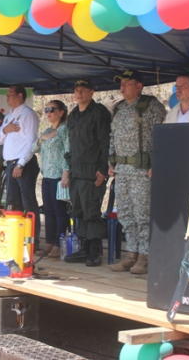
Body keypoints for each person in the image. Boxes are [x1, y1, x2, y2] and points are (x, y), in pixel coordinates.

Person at [109, 69, 167, 274]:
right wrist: (111, 160)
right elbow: (112, 136)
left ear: (139, 86)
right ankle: (131, 253)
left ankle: (145, 255)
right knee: (125, 213)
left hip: (142, 170)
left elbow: (162, 137)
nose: (122, 87)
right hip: (122, 170)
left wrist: (157, 163)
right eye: (121, 83)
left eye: (127, 82)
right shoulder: (118, 108)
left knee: (143, 214)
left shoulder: (152, 107)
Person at [64, 79, 112, 267]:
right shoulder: (74, 115)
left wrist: (103, 168)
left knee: (92, 211)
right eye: (76, 91)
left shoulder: (99, 112)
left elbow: (105, 142)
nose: (79, 94)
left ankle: (94, 250)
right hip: (76, 171)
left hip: (93, 172)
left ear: (92, 92)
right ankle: (84, 248)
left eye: (83, 91)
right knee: (79, 211)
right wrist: (68, 169)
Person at [0, 84, 41, 247]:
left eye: (11, 95)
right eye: (7, 95)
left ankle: (32, 240)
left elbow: (31, 141)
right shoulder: (8, 117)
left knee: (28, 201)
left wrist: (21, 164)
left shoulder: (28, 115)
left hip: (24, 163)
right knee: (12, 201)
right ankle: (15, 237)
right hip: (10, 163)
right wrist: (5, 130)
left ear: (20, 96)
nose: (7, 98)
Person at [32, 100, 70, 258]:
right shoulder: (47, 130)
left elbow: (68, 151)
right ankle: (48, 242)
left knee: (59, 210)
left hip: (59, 176)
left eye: (52, 109)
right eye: (46, 109)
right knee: (48, 211)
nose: (48, 112)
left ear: (61, 112)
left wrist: (66, 172)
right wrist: (42, 138)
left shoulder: (65, 129)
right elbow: (34, 148)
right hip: (46, 175)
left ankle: (58, 244)